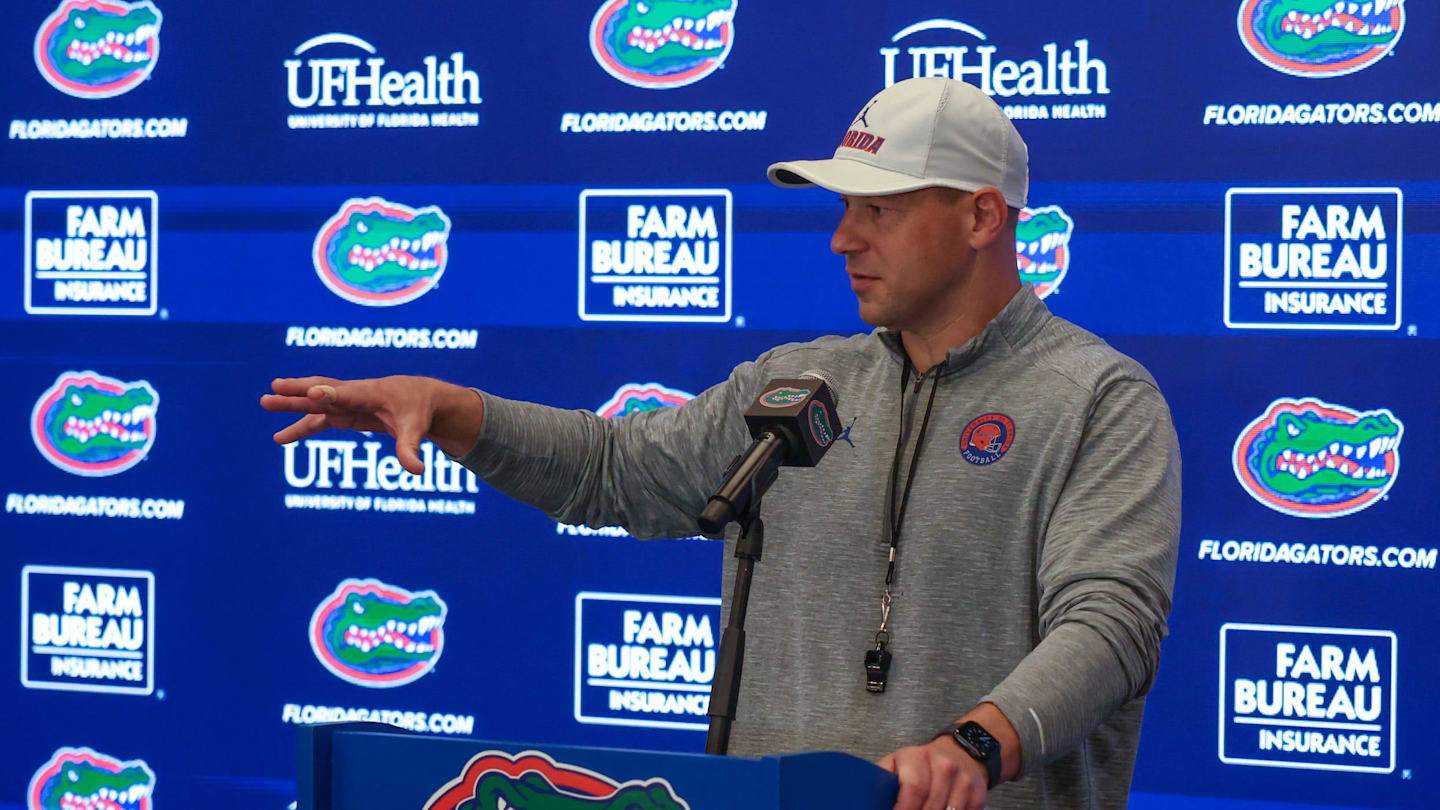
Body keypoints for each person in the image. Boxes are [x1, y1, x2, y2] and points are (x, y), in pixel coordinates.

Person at [261, 77, 1181, 810]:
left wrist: (975, 744)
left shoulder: (1098, 400)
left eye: (879, 210)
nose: (841, 238)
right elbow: (614, 470)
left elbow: (1110, 626)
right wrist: (453, 407)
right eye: (841, 207)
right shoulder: (800, 382)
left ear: (983, 219)